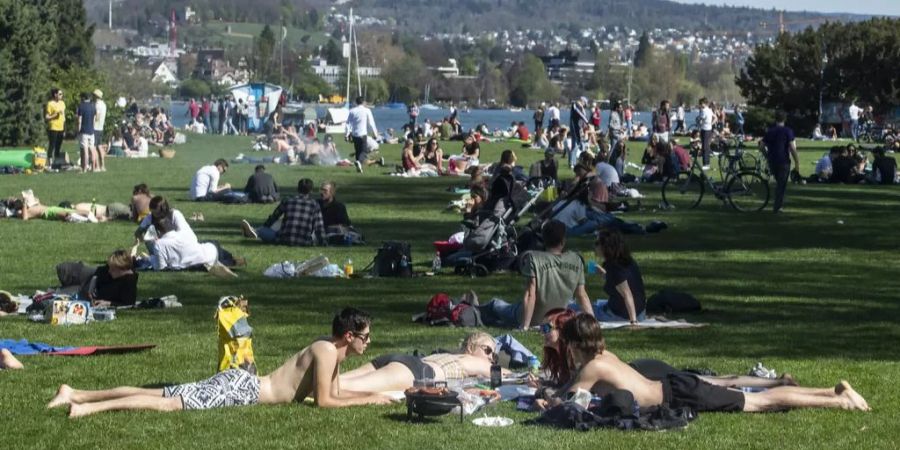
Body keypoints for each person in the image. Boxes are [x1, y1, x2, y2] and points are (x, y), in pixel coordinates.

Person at [47, 308, 394, 417]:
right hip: (242, 390)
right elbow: (325, 402)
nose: (369, 342)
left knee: (160, 392)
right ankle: (85, 407)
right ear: (349, 336)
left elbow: (333, 393)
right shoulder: (327, 351)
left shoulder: (330, 353)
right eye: (366, 336)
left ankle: (76, 392)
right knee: (168, 403)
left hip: (241, 384)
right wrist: (371, 399)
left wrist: (373, 398)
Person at [541, 313, 870, 413]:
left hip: (679, 394)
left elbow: (569, 403)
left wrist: (546, 399)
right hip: (676, 388)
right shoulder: (604, 356)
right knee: (757, 399)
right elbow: (571, 389)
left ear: (571, 342)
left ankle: (840, 401)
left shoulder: (591, 367)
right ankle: (832, 390)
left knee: (760, 403)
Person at [477, 220, 594, 330]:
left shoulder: (535, 258)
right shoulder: (576, 260)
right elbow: (582, 295)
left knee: (495, 304)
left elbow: (530, 294)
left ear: (544, 239)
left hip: (531, 317)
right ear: (563, 240)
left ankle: (469, 309)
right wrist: (593, 322)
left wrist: (525, 326)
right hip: (556, 319)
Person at [340, 332, 497, 392]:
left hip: (401, 360)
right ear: (470, 347)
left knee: (339, 379)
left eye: (494, 357)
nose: (491, 358)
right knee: (345, 387)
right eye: (488, 350)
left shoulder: (447, 355)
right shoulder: (475, 361)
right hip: (416, 370)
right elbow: (512, 377)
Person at [240, 178, 325, 246]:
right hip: (304, 241)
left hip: (284, 239)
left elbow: (274, 217)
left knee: (265, 230)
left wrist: (265, 228)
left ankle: (255, 231)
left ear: (297, 189)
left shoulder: (287, 200)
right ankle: (254, 231)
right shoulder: (314, 204)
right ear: (311, 191)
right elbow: (319, 227)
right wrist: (323, 242)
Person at [762, 111, 800, 213]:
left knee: (779, 182)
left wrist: (766, 155)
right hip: (783, 160)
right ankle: (777, 207)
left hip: (772, 160)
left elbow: (761, 145)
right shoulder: (787, 131)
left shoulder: (770, 131)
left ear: (775, 119)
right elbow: (792, 147)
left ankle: (778, 204)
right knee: (781, 185)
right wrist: (796, 161)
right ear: (785, 119)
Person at [346, 96, 379, 173]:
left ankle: (359, 167)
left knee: (357, 151)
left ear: (356, 102)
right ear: (363, 102)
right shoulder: (367, 110)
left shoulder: (352, 111)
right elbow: (371, 122)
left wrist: (347, 134)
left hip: (355, 135)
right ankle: (359, 163)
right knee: (363, 152)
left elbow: (348, 124)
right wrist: (375, 133)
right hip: (363, 134)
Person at [76, 92, 97, 173]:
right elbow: (94, 119)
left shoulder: (81, 106)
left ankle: (85, 168)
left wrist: (78, 130)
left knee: (85, 150)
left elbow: (79, 120)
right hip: (91, 130)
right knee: (92, 149)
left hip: (84, 130)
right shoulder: (93, 106)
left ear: (83, 98)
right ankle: (93, 167)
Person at [45, 88, 66, 167]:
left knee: (58, 146)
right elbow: (46, 117)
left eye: (62, 94)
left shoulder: (62, 103)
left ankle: (56, 162)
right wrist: (55, 115)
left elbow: (63, 117)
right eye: (60, 94)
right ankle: (50, 163)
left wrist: (64, 128)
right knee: (52, 145)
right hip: (53, 127)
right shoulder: (50, 104)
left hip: (61, 127)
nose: (61, 95)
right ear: (55, 95)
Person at [698, 98, 715, 170]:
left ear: (705, 103)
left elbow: (701, 120)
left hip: (705, 130)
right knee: (706, 146)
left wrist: (698, 120)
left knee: (704, 147)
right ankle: (707, 163)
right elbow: (715, 118)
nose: (700, 105)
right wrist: (711, 124)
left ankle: (705, 164)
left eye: (701, 103)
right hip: (708, 129)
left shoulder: (703, 110)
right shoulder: (709, 110)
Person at [92, 90, 107, 172]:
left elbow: (97, 117)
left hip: (95, 127)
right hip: (101, 127)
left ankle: (97, 166)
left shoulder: (97, 105)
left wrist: (91, 122)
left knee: (94, 147)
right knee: (100, 146)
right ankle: (103, 166)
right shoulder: (104, 104)